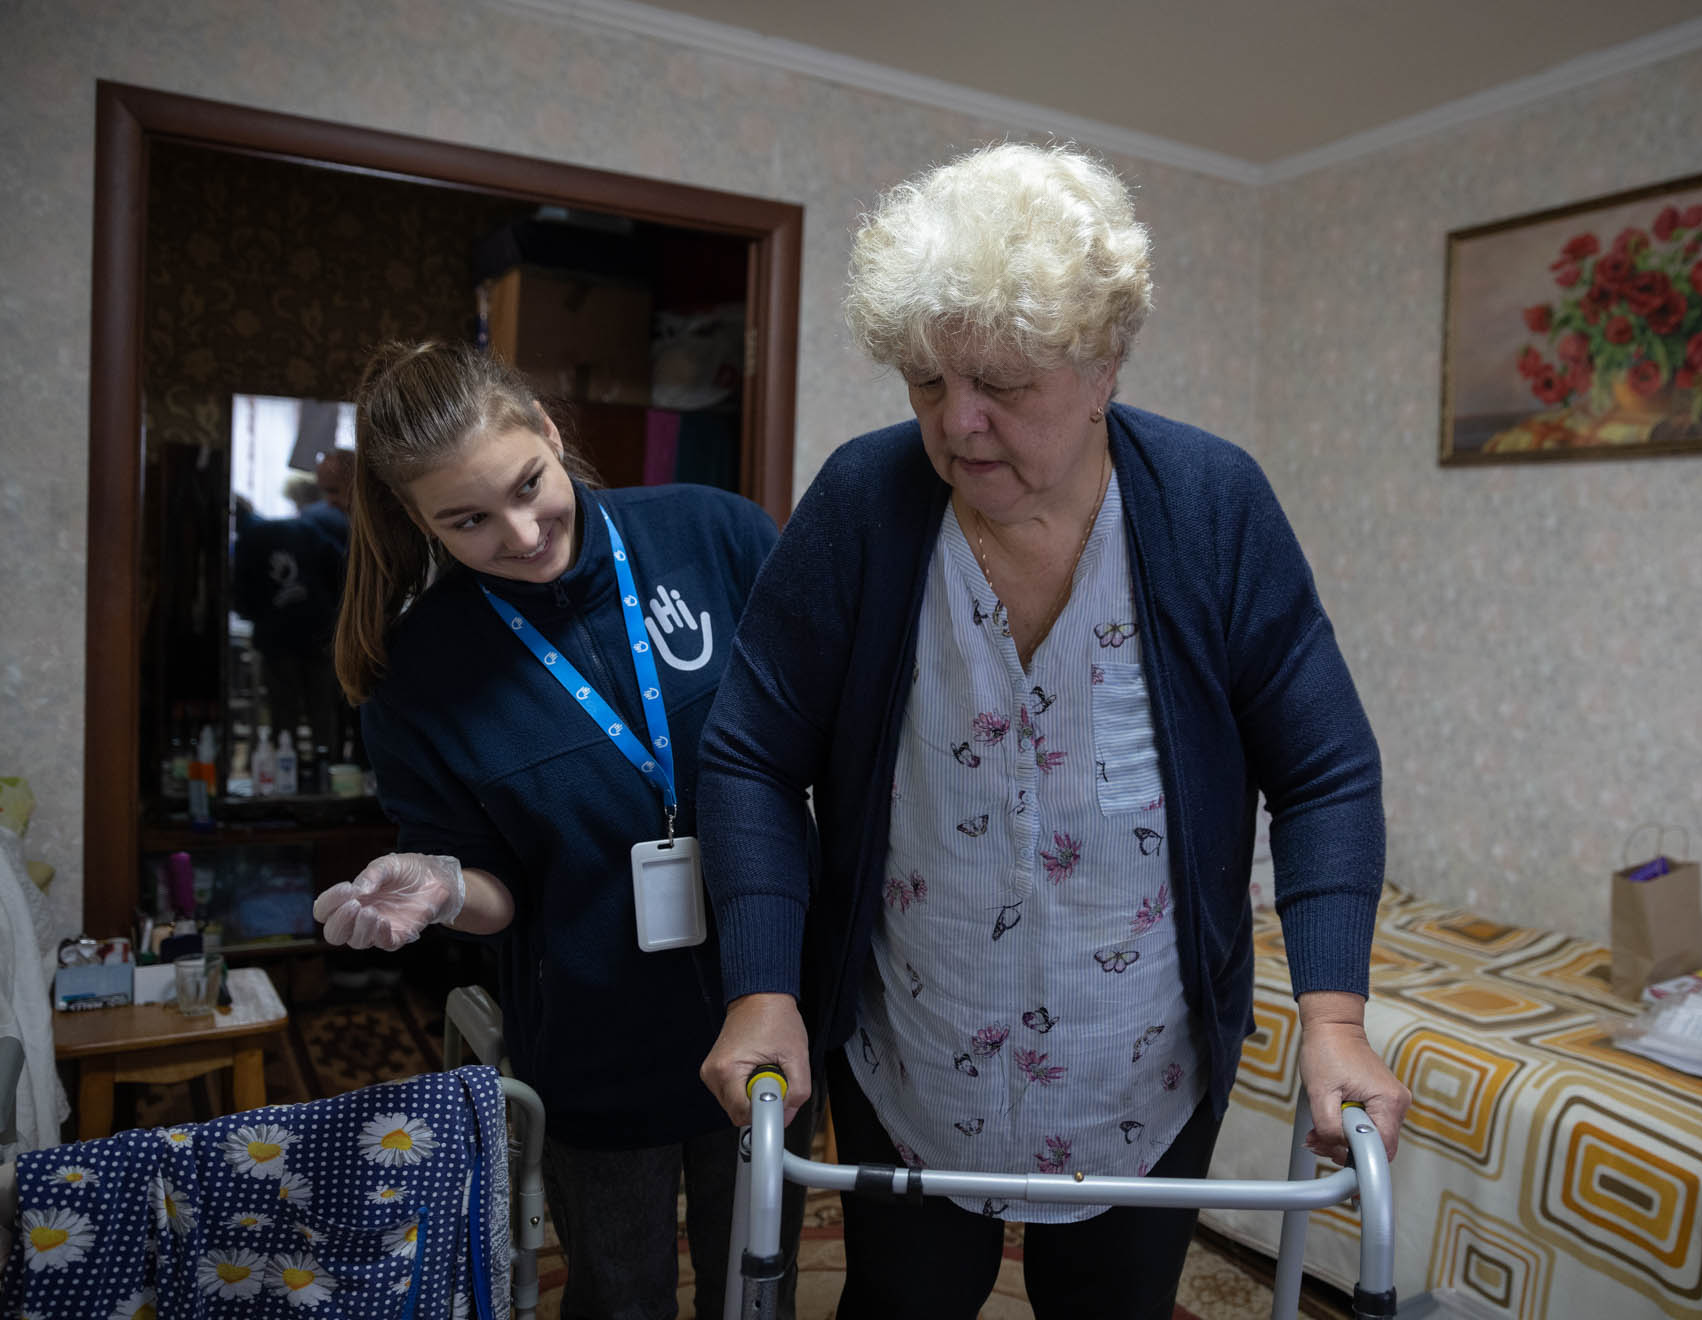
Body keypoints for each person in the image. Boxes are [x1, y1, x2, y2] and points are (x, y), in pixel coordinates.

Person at [696, 142, 1412, 1318]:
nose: (958, 424)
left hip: (1140, 1067)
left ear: (1104, 365)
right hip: (914, 1051)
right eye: (927, 383)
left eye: (1001, 384)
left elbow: (1326, 770)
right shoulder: (863, 507)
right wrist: (763, 983)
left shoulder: (1211, 507)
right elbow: (750, 755)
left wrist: (1333, 1015)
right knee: (900, 1303)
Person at [313, 340, 803, 1320]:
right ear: (417, 521)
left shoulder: (718, 536)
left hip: (766, 1005)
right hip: (595, 1047)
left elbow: (810, 744)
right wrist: (449, 888)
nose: (526, 532)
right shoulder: (419, 675)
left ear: (547, 427)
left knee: (760, 1290)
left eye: (530, 485)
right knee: (619, 1296)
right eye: (469, 521)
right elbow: (498, 891)